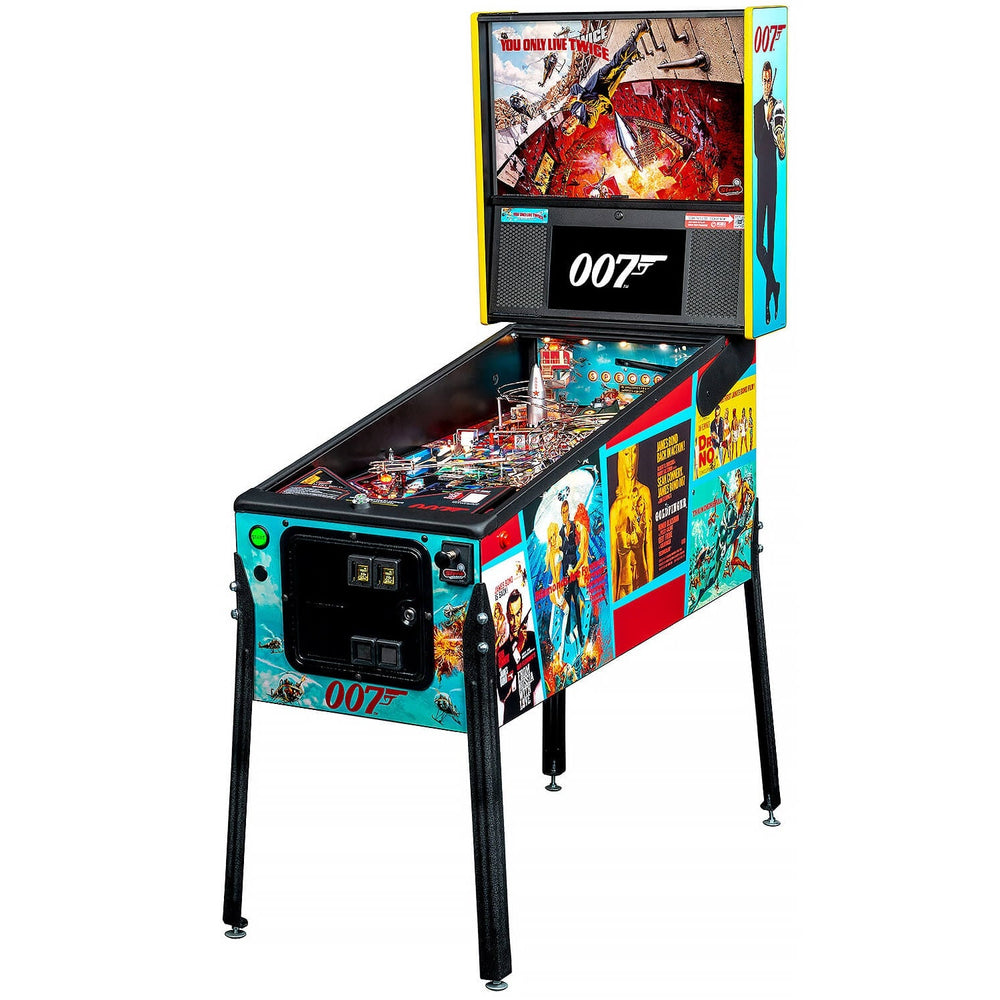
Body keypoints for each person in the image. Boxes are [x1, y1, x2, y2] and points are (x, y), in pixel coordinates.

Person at [561, 20, 652, 136]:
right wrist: (579, 97)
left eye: (566, 122)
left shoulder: (572, 107)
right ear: (573, 129)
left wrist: (576, 96)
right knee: (621, 69)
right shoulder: (589, 123)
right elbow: (596, 102)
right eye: (570, 125)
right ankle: (632, 55)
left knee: (614, 63)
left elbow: (574, 87)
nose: (570, 121)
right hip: (606, 91)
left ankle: (638, 35)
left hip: (596, 80)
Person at [753, 60, 786, 324]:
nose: (766, 84)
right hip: (760, 178)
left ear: (772, 81)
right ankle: (773, 284)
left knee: (771, 245)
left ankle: (766, 305)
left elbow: (781, 141)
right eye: (763, 80)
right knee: (758, 247)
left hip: (772, 179)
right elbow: (756, 148)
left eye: (768, 80)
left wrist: (780, 141)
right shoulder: (755, 108)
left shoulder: (778, 106)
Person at [609, 444, 653, 601]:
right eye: (627, 454)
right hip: (623, 589)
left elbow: (649, 545)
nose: (631, 460)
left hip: (643, 581)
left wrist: (652, 589)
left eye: (634, 452)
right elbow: (613, 565)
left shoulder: (644, 493)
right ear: (620, 458)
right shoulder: (615, 509)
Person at [496, 589, 540, 723]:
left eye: (518, 614)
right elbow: (503, 694)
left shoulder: (532, 638)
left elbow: (540, 672)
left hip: (531, 713)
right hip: (510, 719)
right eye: (511, 616)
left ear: (522, 612)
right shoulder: (502, 652)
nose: (515, 621)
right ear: (507, 616)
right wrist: (518, 649)